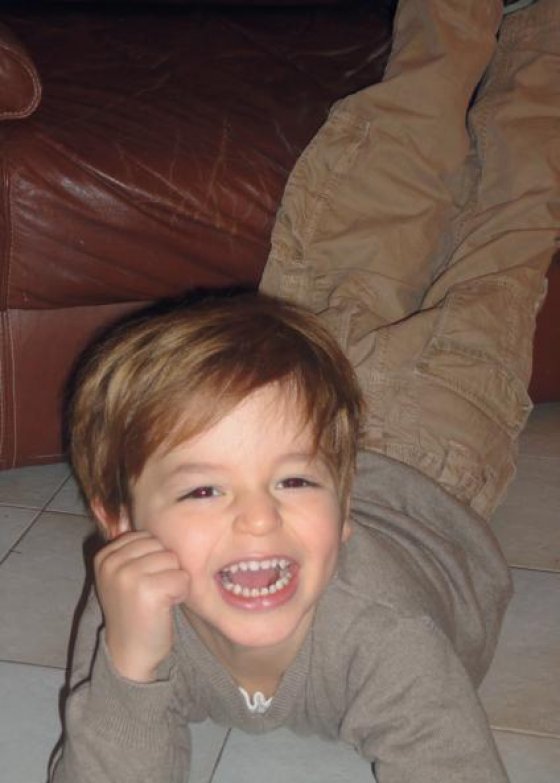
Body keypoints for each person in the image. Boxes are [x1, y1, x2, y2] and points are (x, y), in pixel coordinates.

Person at [49, 0, 559, 781]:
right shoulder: (137, 589)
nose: (257, 517)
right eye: (202, 490)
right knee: (510, 221)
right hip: (437, 439)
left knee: (389, 157)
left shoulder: (386, 634)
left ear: (343, 501)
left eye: (290, 485)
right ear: (121, 522)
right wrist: (131, 664)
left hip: (291, 386)